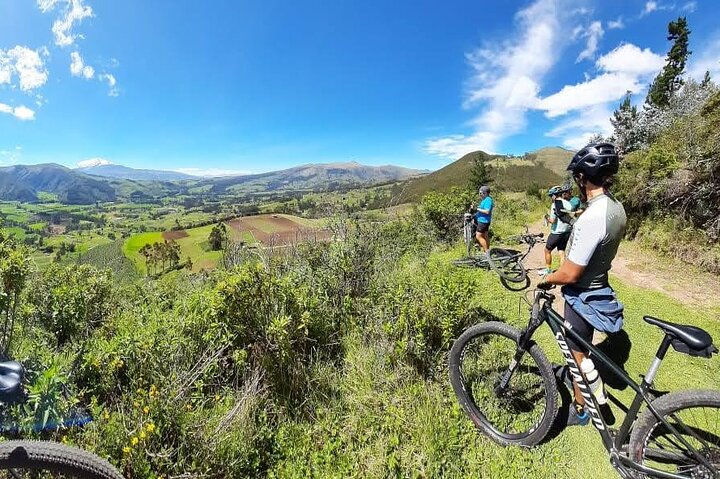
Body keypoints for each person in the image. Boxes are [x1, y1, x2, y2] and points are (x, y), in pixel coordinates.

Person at [538, 142, 626, 426]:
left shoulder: (591, 217)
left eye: (577, 176)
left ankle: (582, 409)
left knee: (577, 356)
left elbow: (571, 274)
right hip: (600, 284)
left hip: (582, 295)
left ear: (582, 178)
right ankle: (590, 398)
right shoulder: (616, 209)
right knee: (581, 350)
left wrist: (546, 278)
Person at [540, 185, 573, 276]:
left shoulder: (554, 205)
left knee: (547, 250)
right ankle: (562, 272)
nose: (551, 198)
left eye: (551, 196)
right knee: (561, 252)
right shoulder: (568, 203)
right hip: (567, 232)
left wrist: (546, 217)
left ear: (554, 195)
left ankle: (548, 270)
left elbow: (552, 221)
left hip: (556, 232)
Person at [474, 185, 493, 252]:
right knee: (485, 236)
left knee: (478, 236)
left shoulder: (488, 200)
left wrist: (477, 209)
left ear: (485, 193)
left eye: (480, 193)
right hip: (484, 220)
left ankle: (487, 252)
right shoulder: (485, 200)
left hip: (483, 221)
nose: (480, 195)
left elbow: (487, 211)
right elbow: (482, 209)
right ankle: (487, 251)